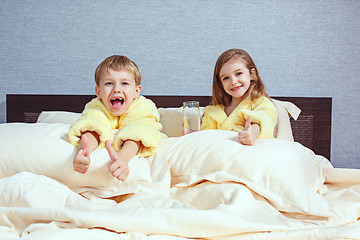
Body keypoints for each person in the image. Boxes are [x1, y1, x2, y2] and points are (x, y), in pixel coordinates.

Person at [68, 55, 162, 181]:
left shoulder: (143, 106)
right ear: (98, 91)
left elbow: (139, 132)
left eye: (124, 83)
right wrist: (84, 150)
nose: (116, 89)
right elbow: (93, 126)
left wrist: (123, 158)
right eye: (109, 83)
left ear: (136, 91)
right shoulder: (95, 106)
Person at [201, 49, 277, 145]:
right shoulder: (211, 112)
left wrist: (253, 132)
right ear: (221, 84)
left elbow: (266, 119)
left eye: (238, 74)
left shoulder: (262, 103)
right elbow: (205, 139)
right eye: (226, 78)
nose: (233, 81)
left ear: (252, 74)